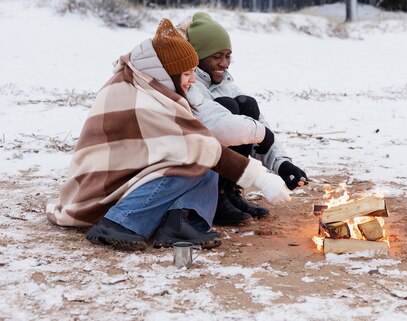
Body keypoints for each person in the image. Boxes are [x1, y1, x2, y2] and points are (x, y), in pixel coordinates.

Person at [46, 18, 291, 251]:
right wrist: (259, 177)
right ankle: (122, 222)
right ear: (169, 73)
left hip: (125, 177)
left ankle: (184, 223)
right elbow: (198, 147)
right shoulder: (138, 96)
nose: (193, 80)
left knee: (203, 160)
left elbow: (201, 142)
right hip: (98, 189)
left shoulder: (146, 83)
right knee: (198, 158)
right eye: (187, 74)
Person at [177, 12, 308, 225]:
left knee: (246, 104)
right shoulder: (189, 85)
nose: (224, 63)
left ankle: (230, 192)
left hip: (220, 160)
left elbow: (257, 127)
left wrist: (282, 164)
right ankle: (215, 198)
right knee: (228, 107)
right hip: (191, 166)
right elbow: (221, 126)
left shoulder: (227, 84)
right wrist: (260, 135)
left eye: (228, 56)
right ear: (199, 58)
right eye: (216, 56)